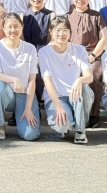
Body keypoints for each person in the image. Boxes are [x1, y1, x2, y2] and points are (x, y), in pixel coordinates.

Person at [39, 16, 94, 144]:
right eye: (57, 30)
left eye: (65, 30)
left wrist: (79, 80)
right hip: (56, 97)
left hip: (75, 95)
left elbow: (89, 77)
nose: (61, 34)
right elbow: (47, 82)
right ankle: (68, 125)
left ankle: (80, 131)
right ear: (51, 32)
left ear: (70, 32)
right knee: (62, 125)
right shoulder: (44, 52)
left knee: (85, 88)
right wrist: (58, 106)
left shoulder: (79, 50)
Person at [0, 13, 40, 141]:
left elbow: (32, 80)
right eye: (9, 27)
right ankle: (0, 124)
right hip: (7, 95)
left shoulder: (30, 48)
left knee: (30, 135)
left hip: (24, 94)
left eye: (16, 26)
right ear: (4, 29)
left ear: (22, 27)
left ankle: (21, 119)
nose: (13, 30)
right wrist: (14, 79)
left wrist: (28, 108)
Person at [66, 0, 107, 128]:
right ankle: (74, 112)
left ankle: (93, 114)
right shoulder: (66, 17)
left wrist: (93, 55)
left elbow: (103, 39)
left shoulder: (97, 16)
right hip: (72, 56)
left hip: (93, 55)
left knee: (93, 76)